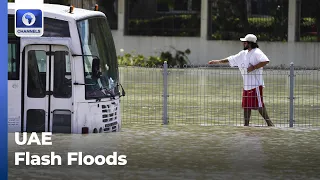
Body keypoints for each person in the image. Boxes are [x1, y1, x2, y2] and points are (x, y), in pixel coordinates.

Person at [208, 34, 274, 127]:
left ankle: (270, 124)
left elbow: (266, 61)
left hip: (256, 85)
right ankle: (246, 126)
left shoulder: (257, 52)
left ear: (250, 43)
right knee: (246, 107)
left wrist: (254, 67)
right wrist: (217, 61)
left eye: (245, 42)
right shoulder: (243, 53)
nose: (243, 43)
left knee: (259, 105)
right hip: (246, 86)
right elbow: (231, 58)